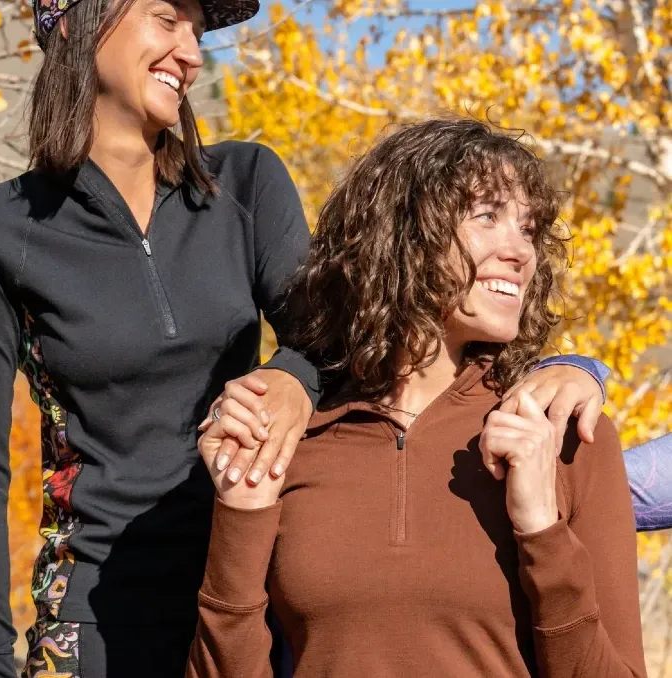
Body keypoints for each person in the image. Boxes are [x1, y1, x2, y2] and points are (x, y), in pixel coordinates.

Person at [0, 0, 613, 676]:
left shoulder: (246, 184)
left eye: (197, 33)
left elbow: (356, 336)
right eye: (166, 20)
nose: (191, 52)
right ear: (80, 23)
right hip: (97, 616)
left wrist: (575, 366)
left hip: (262, 588)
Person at [189, 118, 646, 677]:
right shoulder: (290, 439)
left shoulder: (565, 435)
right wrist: (240, 515)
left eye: (528, 228)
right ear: (402, 233)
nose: (522, 251)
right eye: (487, 217)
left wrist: (541, 530)